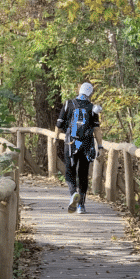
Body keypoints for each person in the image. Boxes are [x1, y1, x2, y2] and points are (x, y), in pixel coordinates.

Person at [55, 82, 103, 214]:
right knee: (83, 172)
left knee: (70, 170)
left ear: (79, 91)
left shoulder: (68, 104)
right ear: (90, 93)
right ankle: (81, 205)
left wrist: (55, 138)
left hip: (71, 143)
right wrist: (100, 146)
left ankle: (73, 194)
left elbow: (58, 125)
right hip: (86, 144)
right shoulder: (93, 108)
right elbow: (97, 130)